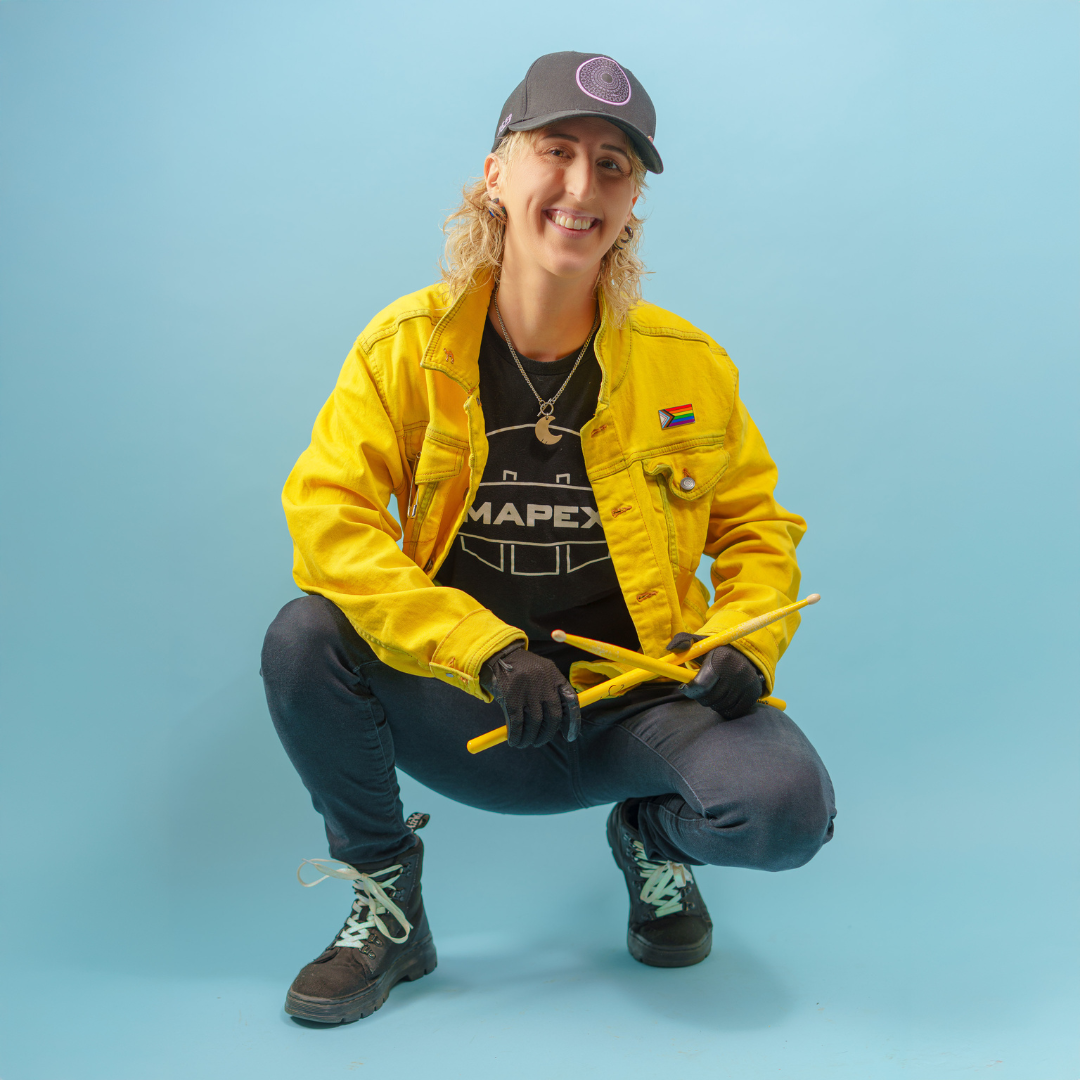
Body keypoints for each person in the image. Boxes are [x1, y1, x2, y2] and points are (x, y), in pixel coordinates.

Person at [262, 51, 836, 1025]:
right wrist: (483, 652)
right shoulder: (406, 349)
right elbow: (332, 524)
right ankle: (388, 902)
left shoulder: (685, 363)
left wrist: (748, 639)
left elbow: (755, 529)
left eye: (614, 164)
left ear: (633, 200)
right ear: (497, 173)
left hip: (636, 713)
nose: (581, 186)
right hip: (467, 710)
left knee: (786, 811)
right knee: (304, 636)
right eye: (556, 151)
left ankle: (654, 842)